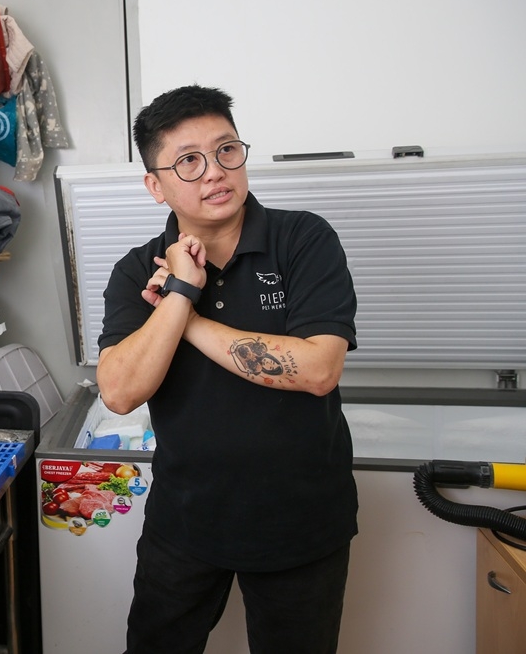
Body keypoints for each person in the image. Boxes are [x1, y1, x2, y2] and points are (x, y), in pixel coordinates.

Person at [96, 85, 359, 654]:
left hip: (302, 520)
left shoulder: (303, 239)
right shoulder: (135, 269)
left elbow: (317, 370)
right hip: (185, 523)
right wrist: (177, 293)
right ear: (155, 185)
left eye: (226, 150)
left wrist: (180, 307)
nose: (214, 172)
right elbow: (119, 391)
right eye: (187, 161)